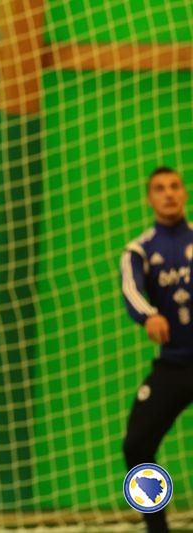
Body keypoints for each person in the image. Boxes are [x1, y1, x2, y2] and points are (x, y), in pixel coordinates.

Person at [120, 166, 193, 533]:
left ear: (184, 193)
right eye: (160, 189)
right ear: (149, 199)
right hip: (174, 366)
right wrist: (149, 315)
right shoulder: (139, 250)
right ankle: (157, 527)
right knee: (136, 446)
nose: (169, 194)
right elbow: (131, 290)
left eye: (175, 186)